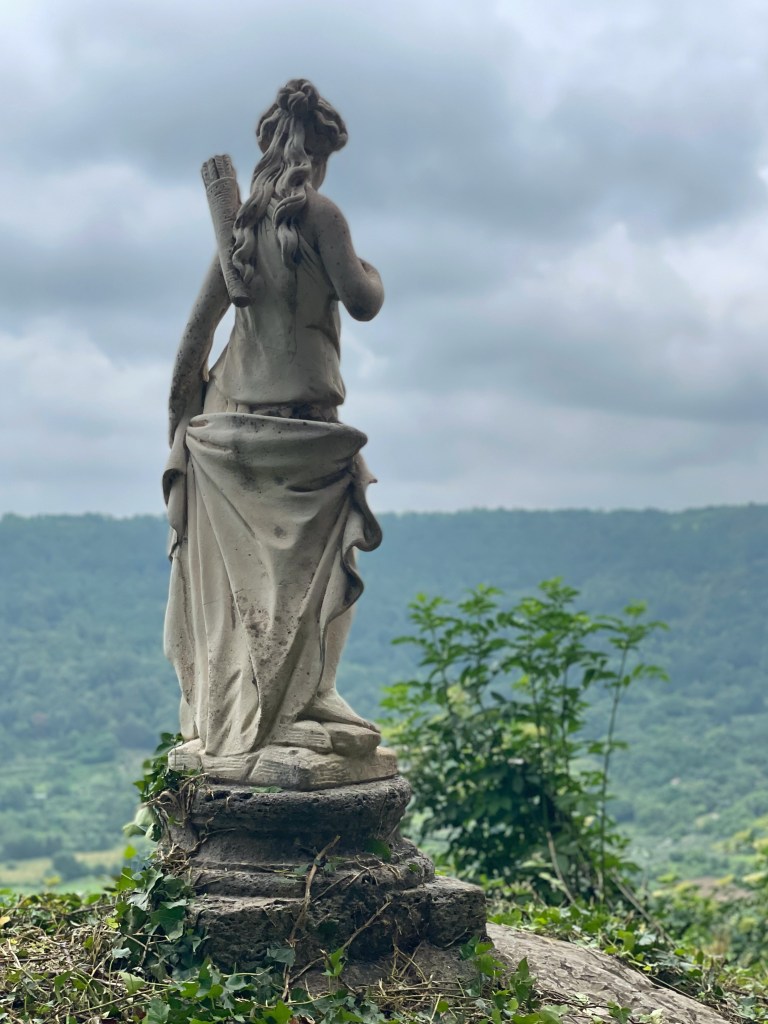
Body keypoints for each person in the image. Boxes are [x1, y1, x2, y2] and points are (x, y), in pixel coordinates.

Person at [163, 80, 385, 779]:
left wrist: (180, 432)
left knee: (250, 587)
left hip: (231, 433)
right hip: (305, 432)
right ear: (316, 151)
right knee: (327, 555)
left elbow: (192, 345)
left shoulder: (240, 238)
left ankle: (286, 702)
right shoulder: (321, 216)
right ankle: (308, 695)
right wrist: (372, 272)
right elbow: (363, 299)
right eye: (324, 156)